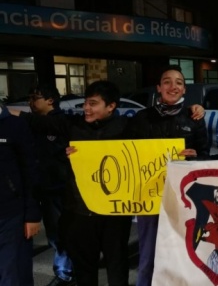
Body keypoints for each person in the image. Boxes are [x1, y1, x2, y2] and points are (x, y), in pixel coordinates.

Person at [11, 81, 132, 286]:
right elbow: (36, 121)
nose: (86, 108)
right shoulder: (74, 125)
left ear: (111, 106)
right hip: (79, 213)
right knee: (84, 269)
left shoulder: (129, 128)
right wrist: (6, 113)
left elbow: (156, 147)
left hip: (115, 215)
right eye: (85, 103)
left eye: (93, 103)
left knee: (117, 266)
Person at [127, 65, 210, 286]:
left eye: (179, 83)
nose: (173, 86)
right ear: (158, 88)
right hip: (149, 197)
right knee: (148, 253)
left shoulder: (194, 118)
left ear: (184, 90)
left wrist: (194, 158)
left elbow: (205, 155)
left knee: (183, 252)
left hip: (183, 198)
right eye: (167, 82)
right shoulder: (142, 118)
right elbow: (125, 153)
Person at [28, 84, 76, 286]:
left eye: (35, 97)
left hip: (60, 187)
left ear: (50, 100)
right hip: (44, 187)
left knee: (61, 232)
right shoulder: (35, 125)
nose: (31, 102)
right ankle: (66, 269)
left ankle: (66, 272)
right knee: (55, 233)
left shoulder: (62, 122)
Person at [0, 101, 42, 286]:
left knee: (13, 275)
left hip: (11, 215)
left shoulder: (15, 125)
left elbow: (30, 171)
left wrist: (32, 215)